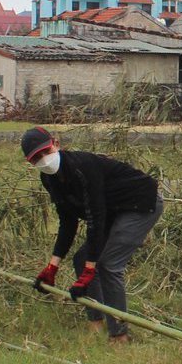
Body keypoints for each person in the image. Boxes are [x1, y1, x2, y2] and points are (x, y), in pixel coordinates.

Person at [21, 127, 162, 342]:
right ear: (31, 163)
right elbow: (68, 221)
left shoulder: (82, 167)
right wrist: (52, 266)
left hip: (140, 204)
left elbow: (96, 219)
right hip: (113, 210)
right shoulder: (49, 179)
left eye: (46, 151)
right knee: (81, 259)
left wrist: (91, 267)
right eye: (36, 158)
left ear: (56, 144)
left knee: (108, 264)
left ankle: (119, 335)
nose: (44, 160)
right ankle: (96, 323)